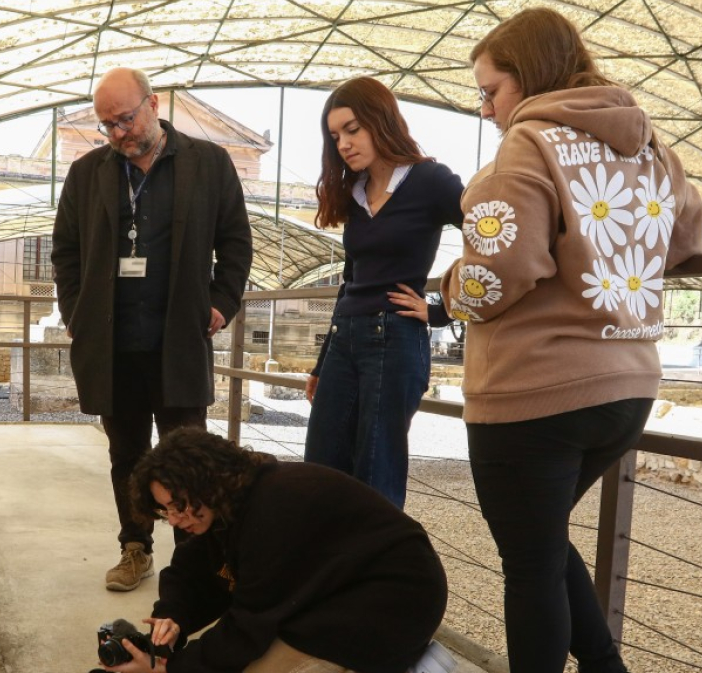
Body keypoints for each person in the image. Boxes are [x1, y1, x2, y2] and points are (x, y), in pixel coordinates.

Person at [441, 8, 702, 673]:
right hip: (627, 387)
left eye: (490, 90)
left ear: (526, 79)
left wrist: (446, 292)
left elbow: (499, 272)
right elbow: (688, 239)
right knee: (543, 542)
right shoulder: (650, 147)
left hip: (534, 393)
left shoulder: (528, 144)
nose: (485, 108)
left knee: (528, 567)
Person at [51, 68, 253, 593]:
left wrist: (222, 302)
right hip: (113, 345)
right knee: (127, 456)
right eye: (107, 125)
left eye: (125, 118)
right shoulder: (88, 173)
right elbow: (66, 252)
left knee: (188, 455)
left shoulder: (208, 164)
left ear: (154, 104)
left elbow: (235, 242)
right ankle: (134, 547)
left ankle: (196, 560)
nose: (119, 132)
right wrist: (75, 310)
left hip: (178, 340)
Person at [99, 427, 452, 673]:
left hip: (393, 602)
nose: (176, 519)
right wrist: (172, 619)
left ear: (208, 479)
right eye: (166, 511)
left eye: (180, 505)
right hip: (329, 592)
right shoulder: (221, 507)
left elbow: (248, 626)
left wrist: (171, 669)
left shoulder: (272, 508)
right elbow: (189, 572)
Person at [304, 76, 465, 509]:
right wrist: (322, 363)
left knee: (376, 471)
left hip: (394, 339)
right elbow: (351, 278)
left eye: (353, 129)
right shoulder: (354, 193)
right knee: (319, 468)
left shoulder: (430, 179)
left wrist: (443, 311)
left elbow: (494, 240)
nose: (344, 144)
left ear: (382, 120)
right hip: (344, 341)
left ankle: (376, 573)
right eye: (335, 135)